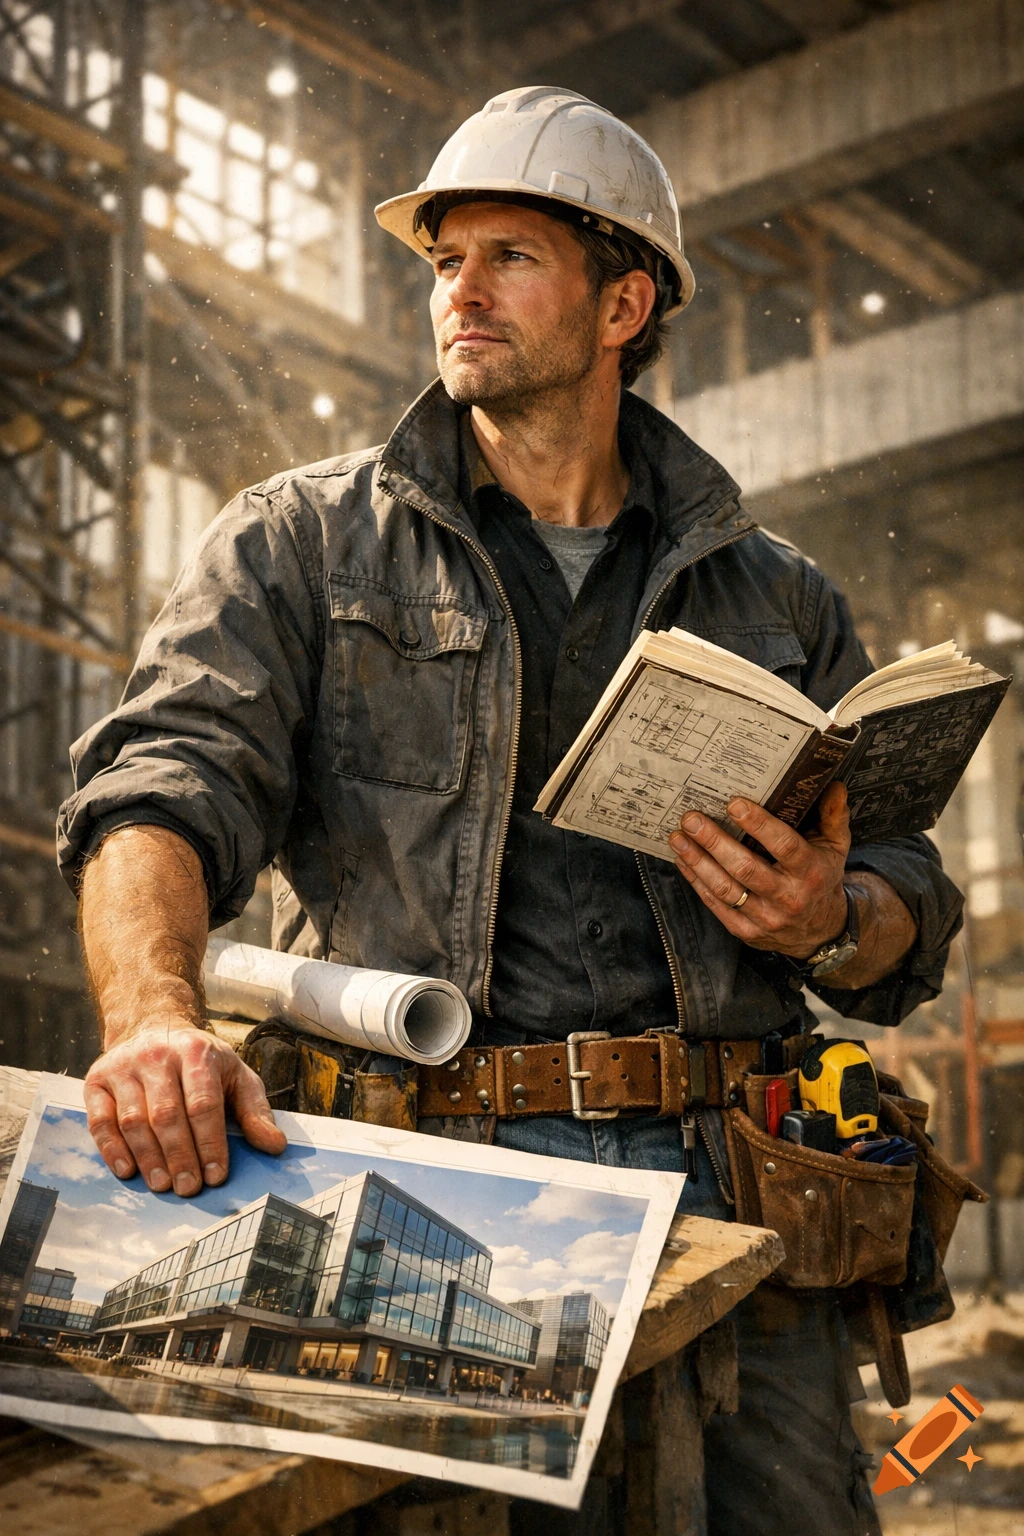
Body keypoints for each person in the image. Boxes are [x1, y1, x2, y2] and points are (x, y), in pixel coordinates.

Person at [58, 87, 963, 1534]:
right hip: (442, 1182)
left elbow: (908, 884)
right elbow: (161, 790)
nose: (457, 293)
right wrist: (151, 1013)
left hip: (733, 1196)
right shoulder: (299, 546)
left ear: (624, 302)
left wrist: (837, 915)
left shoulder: (777, 596)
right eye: (442, 262)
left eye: (507, 258)